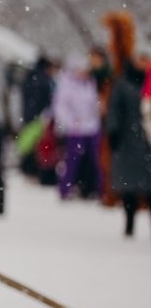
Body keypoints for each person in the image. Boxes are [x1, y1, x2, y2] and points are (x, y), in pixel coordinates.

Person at [106, 53, 151, 238]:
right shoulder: (123, 83)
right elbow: (115, 108)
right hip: (128, 141)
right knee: (129, 187)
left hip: (148, 139)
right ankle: (129, 223)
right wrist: (113, 131)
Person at [51, 52, 103, 200]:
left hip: (92, 127)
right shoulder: (67, 85)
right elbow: (60, 108)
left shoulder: (90, 84)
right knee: (72, 161)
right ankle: (65, 190)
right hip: (75, 130)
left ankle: (98, 190)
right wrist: (71, 122)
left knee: (96, 160)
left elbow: (94, 103)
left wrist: (96, 112)